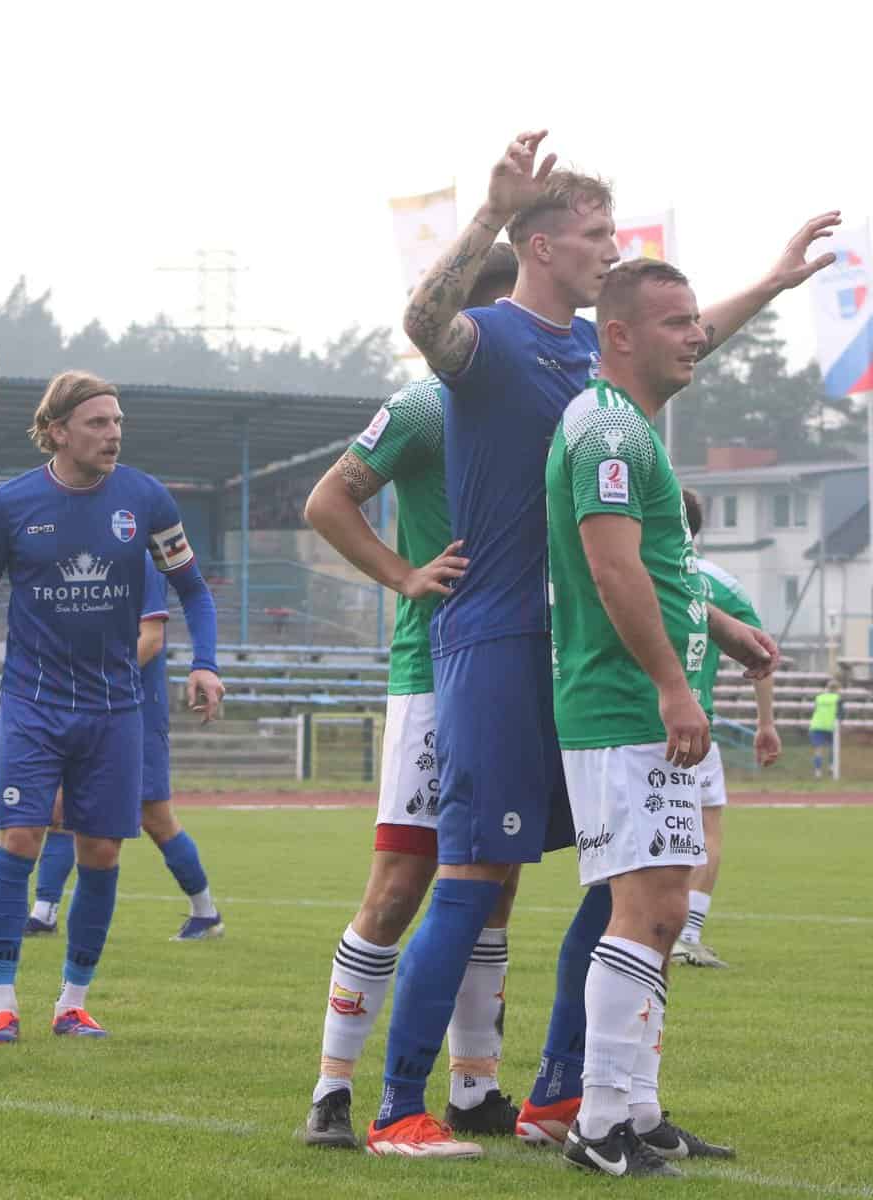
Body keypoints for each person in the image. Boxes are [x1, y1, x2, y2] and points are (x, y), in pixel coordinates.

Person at [367, 130, 832, 1160]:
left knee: (622, 877)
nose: (611, 247)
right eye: (594, 234)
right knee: (473, 876)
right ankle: (397, 1108)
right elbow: (421, 321)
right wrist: (488, 211)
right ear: (539, 246)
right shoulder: (487, 339)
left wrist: (772, 282)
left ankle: (561, 1096)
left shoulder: (595, 356)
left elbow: (680, 337)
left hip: (576, 647)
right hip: (495, 638)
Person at [545, 257, 780, 1177]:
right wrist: (673, 687)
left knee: (665, 906)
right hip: (621, 704)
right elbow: (613, 570)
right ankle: (598, 1123)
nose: (696, 336)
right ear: (620, 336)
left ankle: (636, 1111)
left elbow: (658, 573)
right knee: (644, 907)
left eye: (695, 321)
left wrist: (721, 629)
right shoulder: (608, 428)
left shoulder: (629, 425)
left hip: (635, 702)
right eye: (677, 323)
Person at [294, 244, 521, 1150]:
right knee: (400, 884)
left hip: (515, 670)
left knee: (495, 883)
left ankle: (475, 1089)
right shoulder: (428, 404)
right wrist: (403, 575)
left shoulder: (541, 404)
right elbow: (327, 500)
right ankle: (332, 1093)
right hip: (434, 674)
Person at [0, 369, 224, 1043]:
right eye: (97, 423)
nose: (113, 434)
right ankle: (1, 1002)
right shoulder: (11, 503)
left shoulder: (145, 499)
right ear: (57, 431)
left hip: (116, 709)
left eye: (117, 422)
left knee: (101, 851)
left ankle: (73, 1003)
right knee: (20, 837)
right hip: (33, 702)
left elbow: (193, 590)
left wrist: (205, 663)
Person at [26, 558, 223, 941]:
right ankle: (43, 913)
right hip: (85, 702)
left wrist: (94, 677)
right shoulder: (86, 552)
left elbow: (151, 640)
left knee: (155, 816)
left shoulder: (141, 560)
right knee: (61, 806)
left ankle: (206, 912)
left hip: (135, 706)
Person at [675, 489, 781, 969]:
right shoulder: (719, 583)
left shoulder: (616, 566)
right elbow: (760, 654)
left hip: (617, 722)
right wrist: (766, 723)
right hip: (693, 725)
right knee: (706, 827)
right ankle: (685, 936)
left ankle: (626, 931)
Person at [810, 678, 843, 778]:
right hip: (830, 726)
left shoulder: (819, 697)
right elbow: (840, 714)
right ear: (837, 689)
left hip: (816, 725)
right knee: (833, 748)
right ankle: (831, 766)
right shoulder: (838, 699)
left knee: (818, 750)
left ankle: (818, 771)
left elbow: (815, 710)